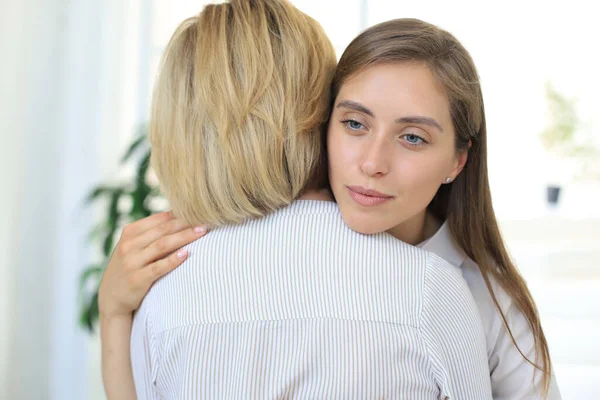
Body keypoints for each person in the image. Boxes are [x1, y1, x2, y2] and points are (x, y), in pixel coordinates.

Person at [100, 4, 560, 400]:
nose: (373, 163)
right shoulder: (207, 273)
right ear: (319, 123)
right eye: (355, 124)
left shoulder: (475, 296)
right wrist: (114, 309)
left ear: (457, 162)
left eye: (413, 137)